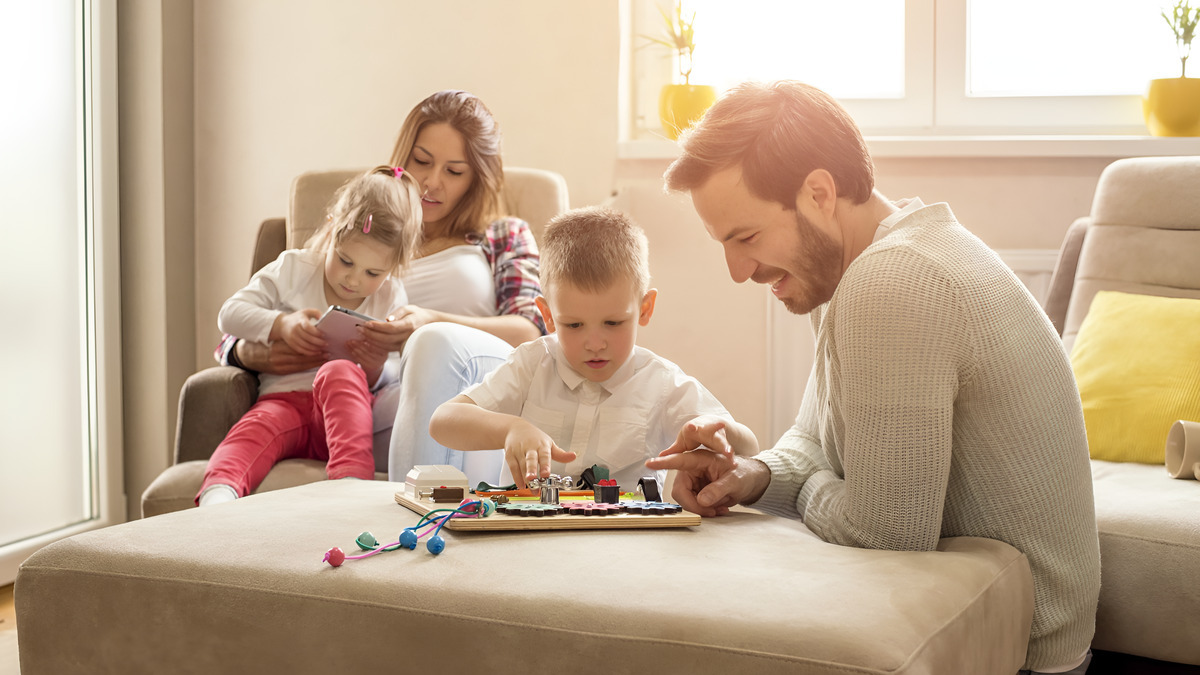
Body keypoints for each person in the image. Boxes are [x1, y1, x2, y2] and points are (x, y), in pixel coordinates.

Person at [645, 81, 1100, 675]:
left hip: (1020, 649)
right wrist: (750, 477)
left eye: (747, 237)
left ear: (819, 192)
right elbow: (813, 441)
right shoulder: (856, 268)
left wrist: (806, 491)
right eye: (723, 244)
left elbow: (886, 531)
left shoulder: (894, 282)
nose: (738, 271)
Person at [215, 90, 546, 487]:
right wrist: (248, 353)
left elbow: (532, 331)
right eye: (421, 161)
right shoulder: (362, 226)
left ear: (476, 179)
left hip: (463, 389)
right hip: (367, 395)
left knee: (431, 344)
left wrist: (429, 322)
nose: (430, 182)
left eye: (454, 172)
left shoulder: (502, 235)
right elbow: (262, 305)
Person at [429, 206, 758, 488]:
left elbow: (749, 447)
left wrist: (719, 430)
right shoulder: (533, 364)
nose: (595, 343)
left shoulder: (661, 382)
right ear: (548, 316)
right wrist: (510, 428)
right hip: (529, 538)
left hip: (621, 547)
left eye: (613, 323)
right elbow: (443, 422)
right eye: (574, 325)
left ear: (644, 309)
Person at [198, 166, 423, 506]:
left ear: (393, 268)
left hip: (346, 411)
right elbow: (229, 314)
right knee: (252, 431)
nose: (353, 280)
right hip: (283, 400)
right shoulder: (294, 268)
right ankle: (219, 493)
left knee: (341, 371)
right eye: (345, 260)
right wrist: (281, 325)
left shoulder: (390, 295)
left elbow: (397, 372)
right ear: (332, 230)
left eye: (372, 272)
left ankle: (350, 490)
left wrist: (376, 367)